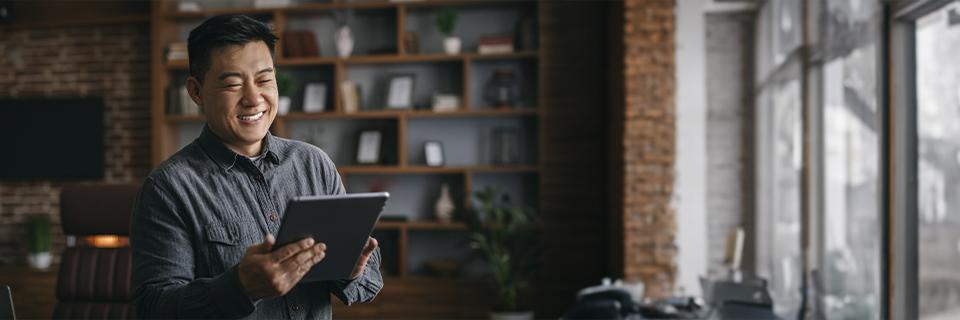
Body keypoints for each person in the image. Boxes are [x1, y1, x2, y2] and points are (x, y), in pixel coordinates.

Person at [130, 14, 382, 319]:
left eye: (264, 80)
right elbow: (153, 308)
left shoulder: (314, 164)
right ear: (196, 91)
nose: (253, 98)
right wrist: (240, 286)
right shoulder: (168, 188)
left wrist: (352, 271)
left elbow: (368, 284)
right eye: (233, 84)